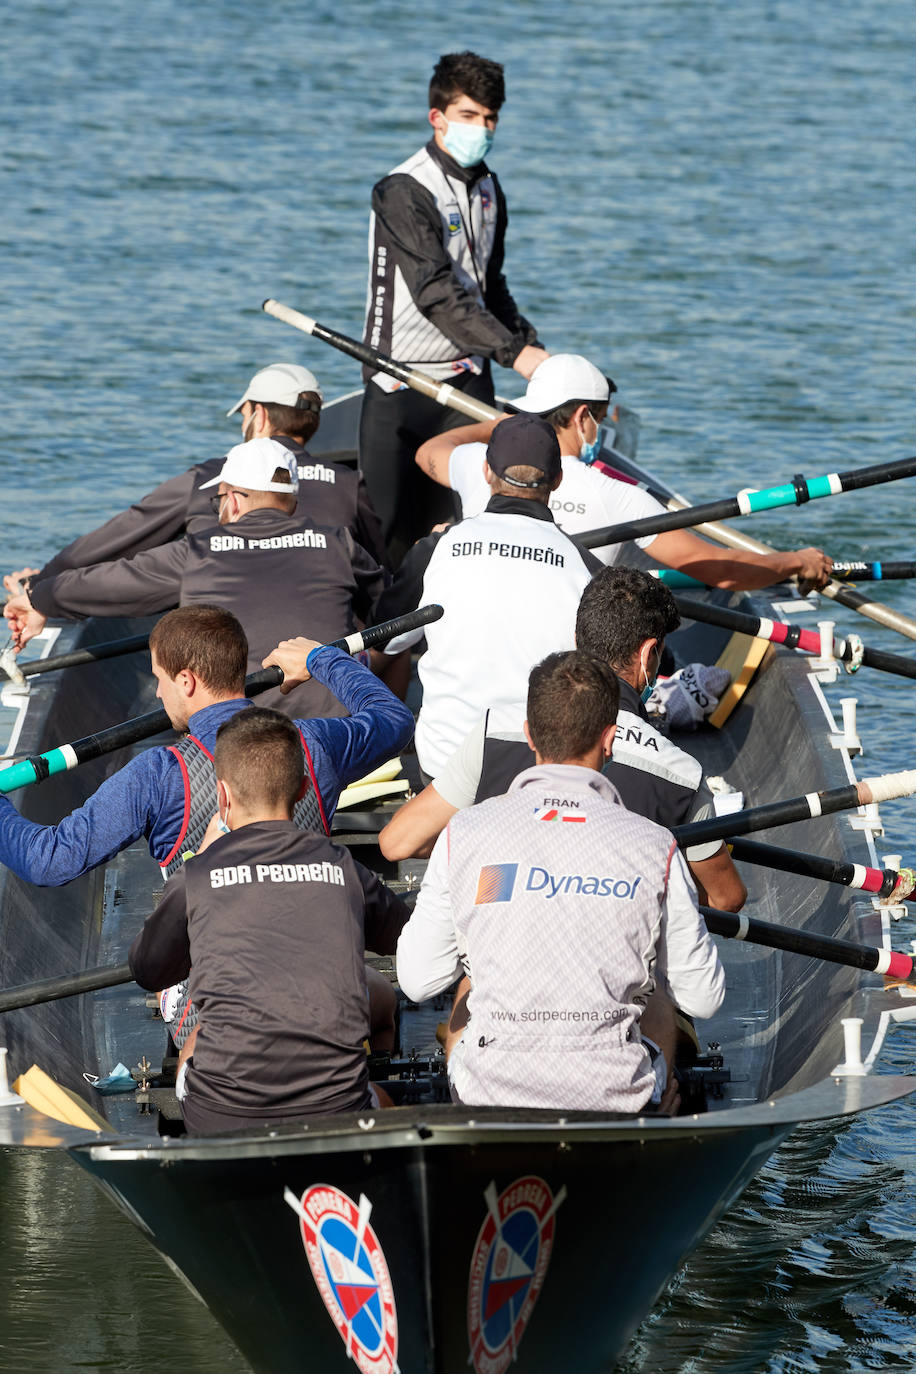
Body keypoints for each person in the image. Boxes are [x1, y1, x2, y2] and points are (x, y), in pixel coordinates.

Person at [396, 651, 725, 1113]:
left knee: (468, 989)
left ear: (529, 735)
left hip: (490, 1096)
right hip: (615, 1102)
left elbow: (417, 981)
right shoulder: (656, 846)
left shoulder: (464, 833)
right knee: (658, 996)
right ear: (611, 739)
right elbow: (705, 999)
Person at [379, 566, 746, 913]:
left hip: (497, 949)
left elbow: (399, 842)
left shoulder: (497, 728)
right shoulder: (679, 773)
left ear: (575, 641)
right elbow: (726, 899)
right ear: (650, 656)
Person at [129, 708, 408, 1134]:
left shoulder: (196, 876)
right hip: (337, 1115)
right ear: (301, 790)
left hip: (219, 1118)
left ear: (222, 796)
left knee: (198, 1036)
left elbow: (147, 970)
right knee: (384, 998)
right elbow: (404, 936)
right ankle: (370, 1090)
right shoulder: (344, 867)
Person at [0, 605, 414, 886]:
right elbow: (393, 720)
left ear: (186, 681)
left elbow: (49, 861)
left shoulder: (158, 774)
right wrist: (323, 660)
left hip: (212, 984)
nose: (158, 694)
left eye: (159, 679)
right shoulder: (314, 742)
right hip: (307, 942)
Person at [4, 438, 386, 720]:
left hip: (241, 734)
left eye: (218, 501)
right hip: (340, 730)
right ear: (294, 504)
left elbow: (109, 583)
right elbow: (388, 616)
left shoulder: (198, 551)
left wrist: (40, 598)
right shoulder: (340, 544)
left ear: (232, 500)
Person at [415, 353, 833, 590]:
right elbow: (721, 570)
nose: (601, 428)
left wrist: (500, 426)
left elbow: (430, 452)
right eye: (600, 418)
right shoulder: (615, 495)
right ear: (582, 417)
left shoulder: (482, 468)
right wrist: (796, 561)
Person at [359, 51, 549, 561]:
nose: (482, 128)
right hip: (399, 378)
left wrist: (538, 352)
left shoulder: (490, 189)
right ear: (438, 118)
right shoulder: (402, 190)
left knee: (462, 527)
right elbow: (436, 292)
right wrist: (516, 354)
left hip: (467, 377)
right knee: (390, 537)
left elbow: (490, 287)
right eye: (469, 116)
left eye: (490, 119)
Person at [4, 361, 386, 593]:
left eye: (243, 414)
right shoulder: (350, 484)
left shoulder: (208, 476)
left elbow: (126, 534)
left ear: (260, 416)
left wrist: (45, 580)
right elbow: (377, 566)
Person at [373, 413, 600, 779]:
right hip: (534, 770)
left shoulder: (435, 549)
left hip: (443, 768)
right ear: (557, 480)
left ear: (485, 472)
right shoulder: (586, 568)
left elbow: (380, 648)